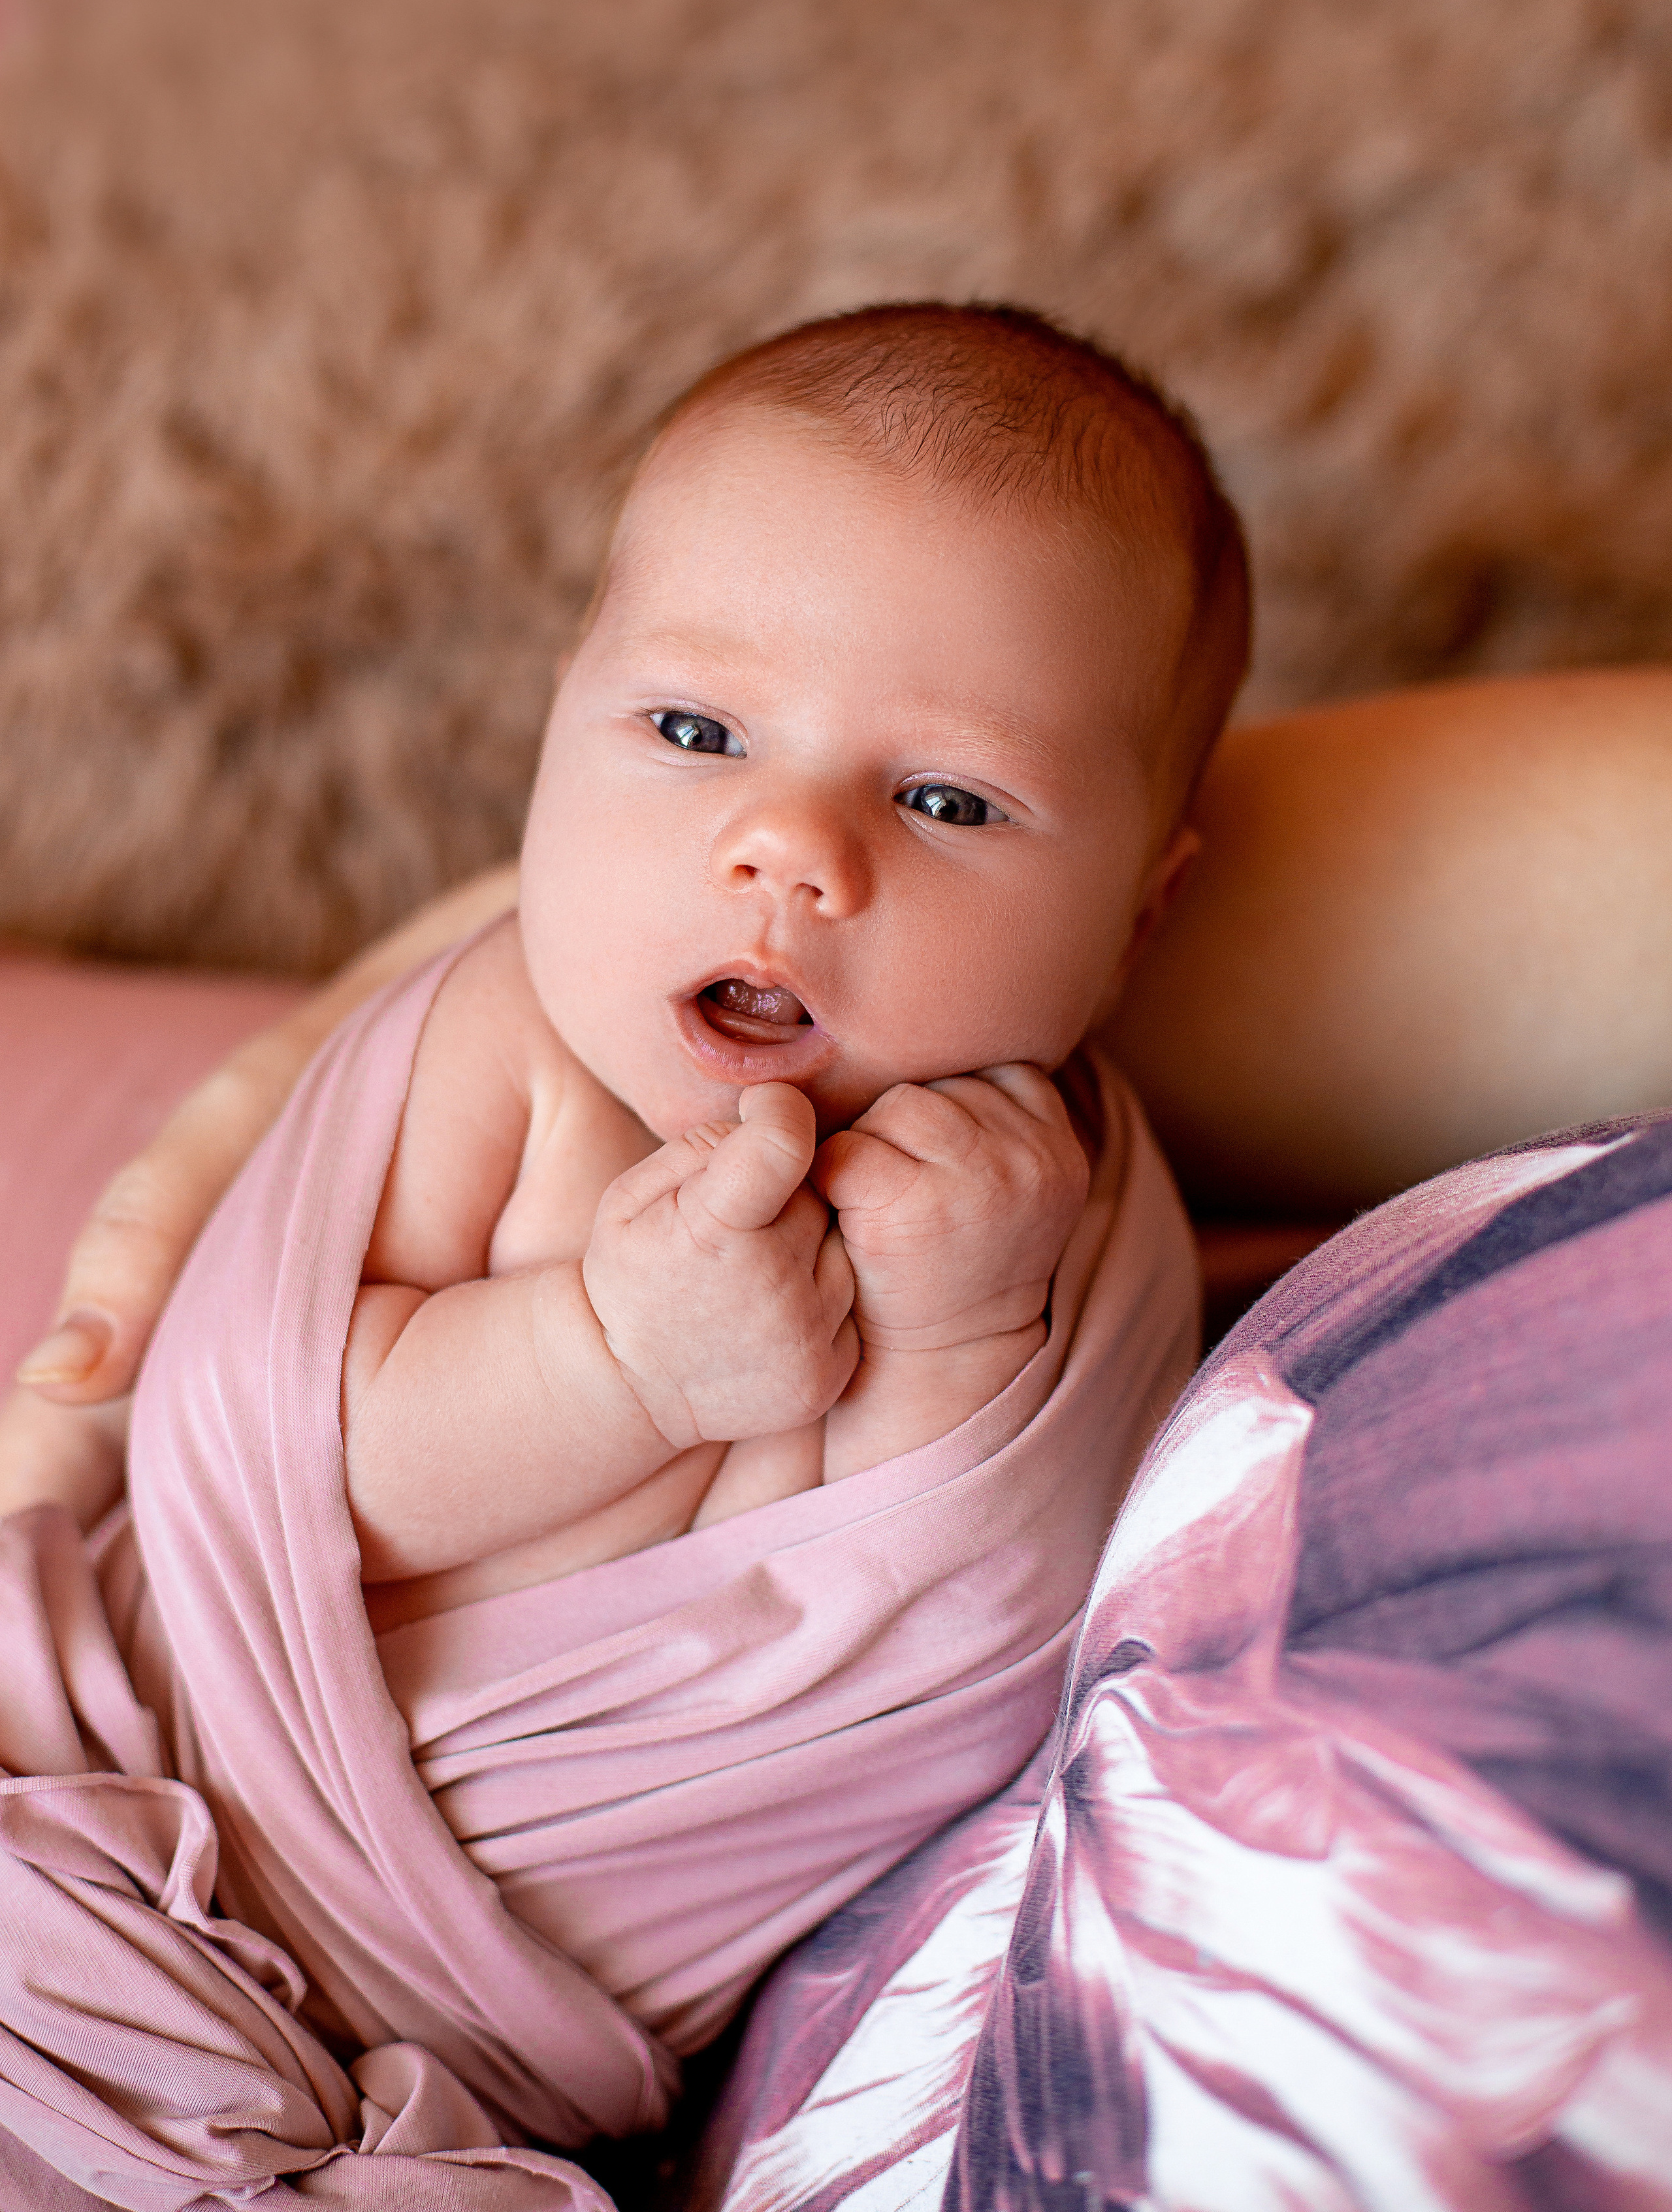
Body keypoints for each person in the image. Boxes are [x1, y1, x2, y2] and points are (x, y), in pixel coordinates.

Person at [0, 302, 1257, 2205]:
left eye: (947, 800)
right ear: (555, 729)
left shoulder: (1066, 1221)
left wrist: (965, 1327)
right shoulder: (506, 1045)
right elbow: (288, 1449)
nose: (788, 847)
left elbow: (955, 1644)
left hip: (456, 2061)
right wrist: (614, 1358)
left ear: (1140, 913)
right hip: (128, 1795)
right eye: (692, 731)